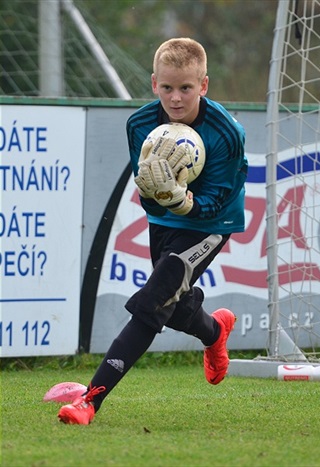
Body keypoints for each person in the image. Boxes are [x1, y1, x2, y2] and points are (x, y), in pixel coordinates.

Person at [58, 37, 248, 425]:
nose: (175, 98)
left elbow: (218, 198)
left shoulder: (226, 133)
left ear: (204, 86)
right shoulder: (140, 124)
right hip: (163, 223)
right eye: (167, 87)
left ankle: (89, 401)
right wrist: (164, 197)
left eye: (186, 88)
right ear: (153, 83)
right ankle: (213, 331)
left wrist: (184, 201)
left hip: (211, 224)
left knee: (152, 303)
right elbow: (147, 190)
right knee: (173, 307)